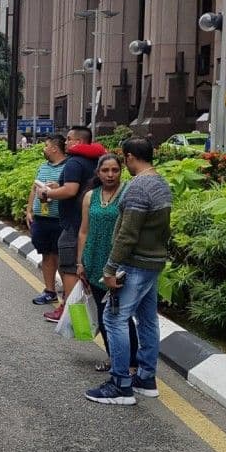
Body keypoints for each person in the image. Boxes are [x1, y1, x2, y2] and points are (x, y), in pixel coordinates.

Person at [86, 137, 171, 406]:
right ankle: (145, 378)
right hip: (153, 262)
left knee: (114, 320)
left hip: (134, 264)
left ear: (131, 157)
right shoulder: (161, 183)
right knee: (147, 319)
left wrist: (110, 268)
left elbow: (127, 234)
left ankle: (121, 384)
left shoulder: (137, 187)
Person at [76, 153, 138, 372]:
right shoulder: (90, 196)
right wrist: (80, 262)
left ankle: (131, 363)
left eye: (115, 170)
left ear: (121, 171)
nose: (110, 175)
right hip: (93, 260)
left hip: (118, 263)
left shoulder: (128, 193)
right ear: (98, 172)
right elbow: (84, 231)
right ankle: (114, 357)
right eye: (105, 170)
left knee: (121, 315)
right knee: (104, 315)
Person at [37, 126, 106, 322]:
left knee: (68, 267)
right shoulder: (96, 160)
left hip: (74, 224)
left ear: (79, 142)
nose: (65, 142)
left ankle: (69, 313)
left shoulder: (74, 162)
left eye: (68, 139)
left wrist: (47, 193)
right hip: (92, 221)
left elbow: (70, 190)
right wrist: (59, 187)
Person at [26, 134, 67, 307]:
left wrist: (58, 188)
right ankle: (50, 291)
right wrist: (29, 210)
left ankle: (69, 294)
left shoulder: (69, 168)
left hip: (60, 220)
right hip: (41, 219)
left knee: (63, 258)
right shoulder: (43, 166)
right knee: (46, 255)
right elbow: (34, 189)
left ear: (54, 148)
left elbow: (72, 190)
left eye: (46, 145)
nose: (44, 148)